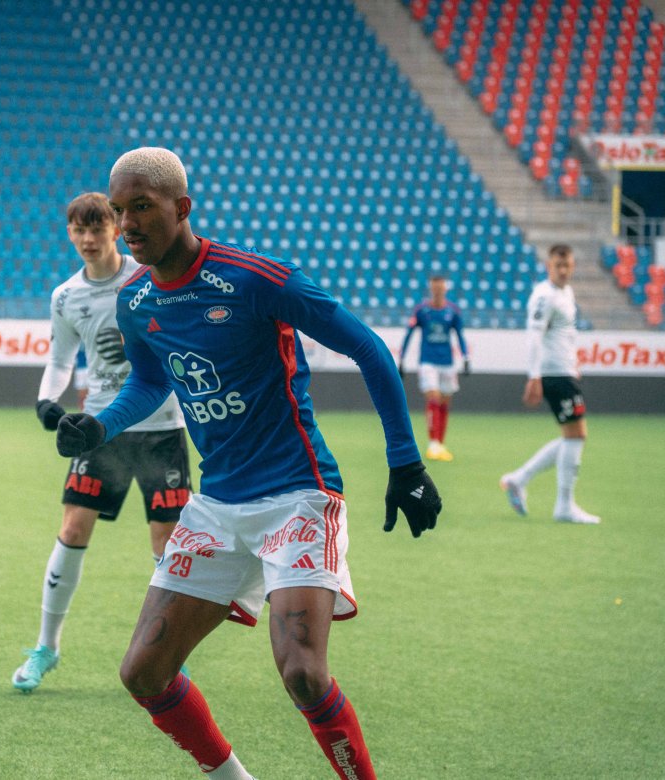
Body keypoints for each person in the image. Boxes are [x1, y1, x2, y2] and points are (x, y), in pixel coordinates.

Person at [54, 147, 442, 780]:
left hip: (298, 496)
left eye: (142, 207)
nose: (126, 225)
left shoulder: (256, 278)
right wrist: (101, 424)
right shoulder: (136, 300)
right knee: (143, 673)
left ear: (183, 207)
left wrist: (406, 463)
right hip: (216, 506)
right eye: (120, 210)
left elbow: (370, 348)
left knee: (304, 674)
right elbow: (150, 382)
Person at [13, 192, 193, 693]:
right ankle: (46, 647)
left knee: (167, 542)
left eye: (98, 229)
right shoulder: (65, 297)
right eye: (79, 230)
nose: (89, 239)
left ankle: (168, 655)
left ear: (116, 229)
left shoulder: (148, 277)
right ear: (70, 233)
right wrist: (46, 400)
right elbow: (60, 359)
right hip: (100, 429)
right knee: (73, 528)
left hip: (161, 427)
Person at [500, 244, 600, 525]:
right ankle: (563, 506)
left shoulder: (566, 292)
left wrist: (573, 363)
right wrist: (534, 376)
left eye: (567, 265)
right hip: (553, 373)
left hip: (564, 371)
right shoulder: (544, 296)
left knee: (574, 435)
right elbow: (534, 337)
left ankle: (519, 479)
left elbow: (565, 334)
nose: (564, 270)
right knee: (576, 435)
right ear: (548, 266)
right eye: (559, 265)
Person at [398, 275, 470, 461]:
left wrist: (465, 357)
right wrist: (402, 359)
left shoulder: (452, 311)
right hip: (427, 361)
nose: (438, 291)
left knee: (445, 401)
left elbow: (460, 335)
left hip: (447, 362)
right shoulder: (422, 310)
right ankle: (433, 444)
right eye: (435, 288)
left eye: (441, 288)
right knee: (433, 397)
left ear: (445, 289)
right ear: (431, 289)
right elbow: (409, 334)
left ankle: (440, 443)